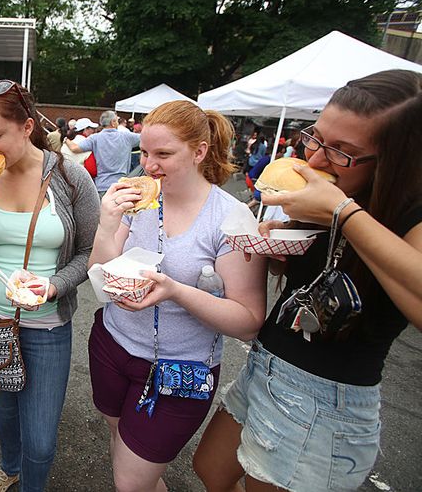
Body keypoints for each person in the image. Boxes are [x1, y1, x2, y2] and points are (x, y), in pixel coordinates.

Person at [194, 69, 422, 492]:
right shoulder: (320, 197)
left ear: (394, 160)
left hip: (326, 397)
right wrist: (277, 255)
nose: (315, 160)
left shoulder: (407, 212)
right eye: (315, 137)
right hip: (268, 364)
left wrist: (343, 214)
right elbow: (310, 279)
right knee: (211, 467)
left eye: (342, 152)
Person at [87, 100, 266, 492]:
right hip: (112, 346)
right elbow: (101, 277)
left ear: (200, 151)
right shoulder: (141, 200)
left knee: (130, 482)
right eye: (145, 153)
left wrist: (174, 291)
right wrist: (106, 224)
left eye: (163, 154)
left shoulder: (231, 218)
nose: (149, 165)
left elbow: (249, 321)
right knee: (123, 444)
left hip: (180, 371)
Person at [0, 79, 100, 492]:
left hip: (48, 324)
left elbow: (90, 251)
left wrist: (53, 286)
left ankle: (32, 480)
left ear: (26, 126)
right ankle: (9, 465)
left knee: (41, 437)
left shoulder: (70, 178)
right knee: (5, 411)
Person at [64, 111, 140, 196]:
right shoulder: (127, 137)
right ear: (113, 122)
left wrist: (65, 140)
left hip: (102, 186)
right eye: (117, 121)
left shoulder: (95, 138)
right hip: (121, 185)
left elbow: (74, 148)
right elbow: (147, 138)